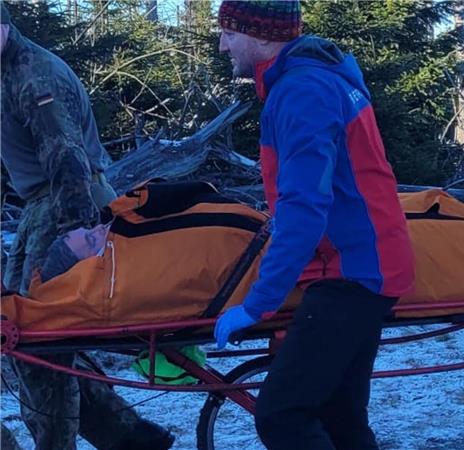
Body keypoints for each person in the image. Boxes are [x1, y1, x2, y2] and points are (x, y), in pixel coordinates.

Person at [212, 1, 415, 448]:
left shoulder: (303, 91)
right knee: (340, 418)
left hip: (351, 274)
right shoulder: (314, 80)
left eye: (229, 31)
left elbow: (304, 207)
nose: (222, 43)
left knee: (283, 415)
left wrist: (257, 304)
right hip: (365, 264)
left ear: (263, 36)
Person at [0, 4, 174, 449]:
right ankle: (131, 438)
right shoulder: (8, 69)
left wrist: (76, 239)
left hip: (65, 203)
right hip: (40, 205)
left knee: (36, 339)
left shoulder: (35, 76)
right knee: (27, 338)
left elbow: (69, 162)